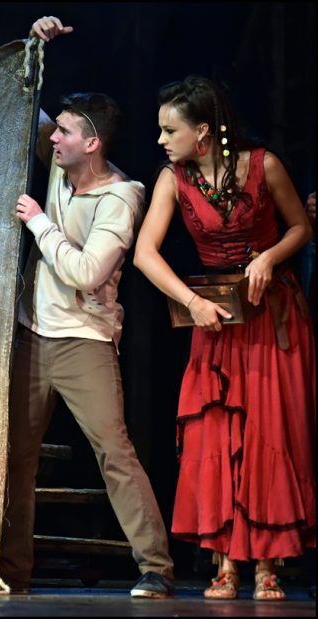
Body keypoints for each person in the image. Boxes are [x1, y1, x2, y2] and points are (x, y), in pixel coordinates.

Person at [0, 16, 175, 599]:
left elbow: (86, 273)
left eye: (67, 133)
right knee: (15, 460)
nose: (53, 139)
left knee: (114, 451)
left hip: (85, 341)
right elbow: (30, 107)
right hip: (32, 336)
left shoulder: (122, 197)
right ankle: (10, 573)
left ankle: (156, 567)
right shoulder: (60, 169)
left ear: (92, 143)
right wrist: (36, 46)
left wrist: (39, 223)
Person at [133, 75, 315, 600]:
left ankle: (268, 566)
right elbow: (145, 253)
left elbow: (301, 227)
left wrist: (269, 257)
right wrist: (191, 303)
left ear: (204, 132)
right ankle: (226, 564)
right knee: (219, 434)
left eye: (170, 130)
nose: (161, 140)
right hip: (216, 317)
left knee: (268, 433)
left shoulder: (264, 165)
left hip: (271, 316)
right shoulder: (173, 179)